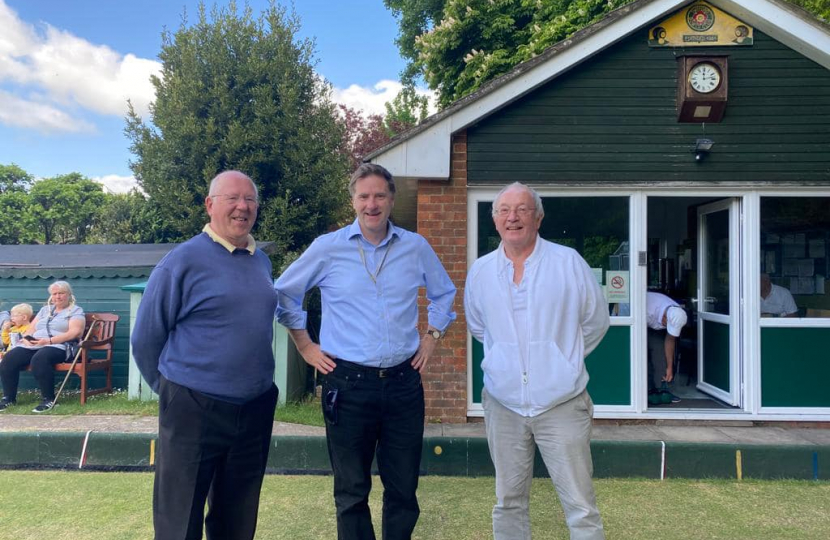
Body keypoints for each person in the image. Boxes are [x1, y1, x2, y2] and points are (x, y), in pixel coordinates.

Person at [275, 163, 456, 540]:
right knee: (352, 491)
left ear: (391, 200)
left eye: (379, 196)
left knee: (404, 489)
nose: (371, 204)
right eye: (364, 196)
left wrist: (432, 337)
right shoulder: (328, 248)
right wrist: (305, 345)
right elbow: (284, 293)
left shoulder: (415, 247)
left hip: (404, 384)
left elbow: (444, 293)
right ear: (353, 200)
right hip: (348, 384)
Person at [131, 170, 279, 540]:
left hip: (255, 407)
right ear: (210, 204)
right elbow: (146, 337)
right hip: (193, 408)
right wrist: (172, 391)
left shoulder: (260, 261)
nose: (242, 207)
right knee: (180, 517)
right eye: (232, 198)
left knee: (237, 517)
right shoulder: (181, 261)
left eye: (249, 200)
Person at [465, 182, 609, 540]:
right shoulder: (480, 271)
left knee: (580, 503)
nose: (513, 217)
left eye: (522, 209)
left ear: (538, 217)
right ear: (495, 220)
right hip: (504, 405)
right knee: (508, 501)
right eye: (504, 210)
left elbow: (595, 322)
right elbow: (480, 328)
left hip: (561, 403)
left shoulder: (568, 263)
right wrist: (508, 361)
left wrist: (559, 361)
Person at [0, 282, 85, 412]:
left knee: (40, 359)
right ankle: (8, 399)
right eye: (54, 294)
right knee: (10, 358)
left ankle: (49, 399)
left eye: (61, 293)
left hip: (60, 346)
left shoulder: (75, 311)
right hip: (36, 344)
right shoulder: (45, 310)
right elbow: (31, 329)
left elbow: (75, 332)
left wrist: (49, 341)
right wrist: (27, 339)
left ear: (68, 295)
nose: (58, 297)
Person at [645, 292, 688, 405]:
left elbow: (670, 340)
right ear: (664, 317)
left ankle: (662, 390)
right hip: (639, 322)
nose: (667, 327)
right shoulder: (648, 309)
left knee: (660, 355)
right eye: (667, 324)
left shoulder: (677, 313)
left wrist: (670, 367)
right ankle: (647, 390)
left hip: (655, 326)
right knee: (642, 355)